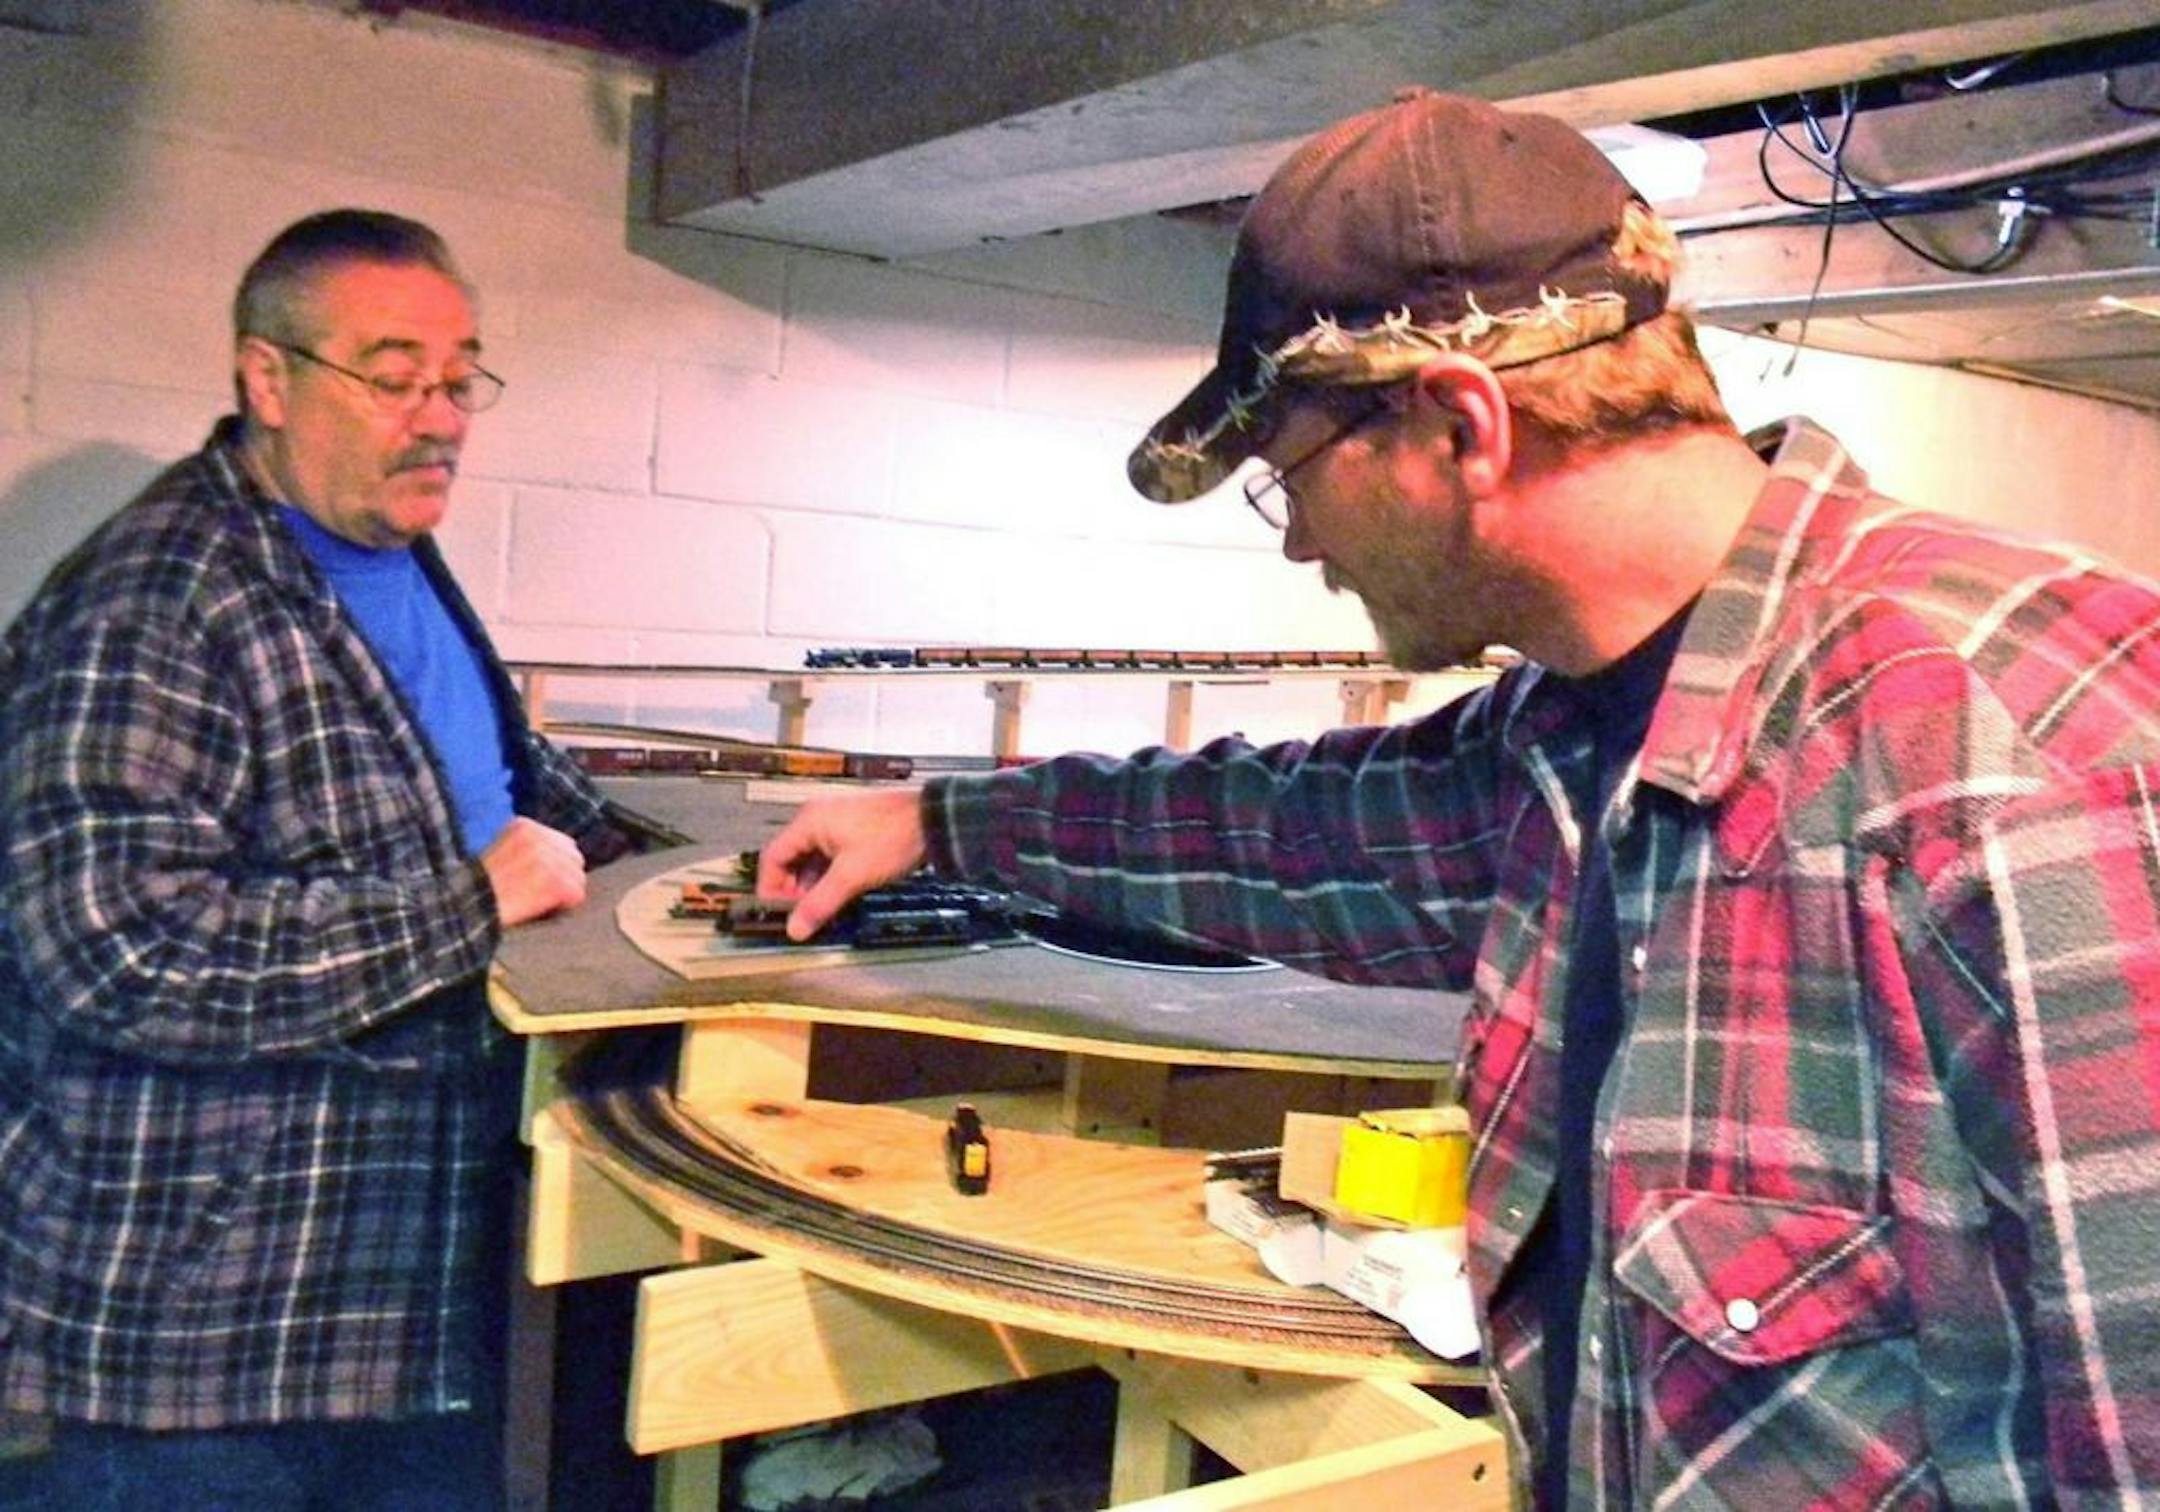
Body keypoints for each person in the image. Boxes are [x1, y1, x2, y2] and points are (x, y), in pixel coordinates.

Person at [757, 89, 2160, 1505]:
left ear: (1460, 426)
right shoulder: (1561, 739)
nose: (1299, 538)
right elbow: (1278, 833)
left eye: (1289, 476)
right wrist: (937, 823)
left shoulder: (2015, 767)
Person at [0, 210, 631, 1509]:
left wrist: (699, 858)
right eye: (395, 378)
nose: (443, 418)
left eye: (462, 381)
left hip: (404, 1295)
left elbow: (489, 778)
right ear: (267, 380)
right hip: (207, 1340)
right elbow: (118, 951)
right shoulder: (153, 600)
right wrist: (467, 909)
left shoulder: (390, 553)